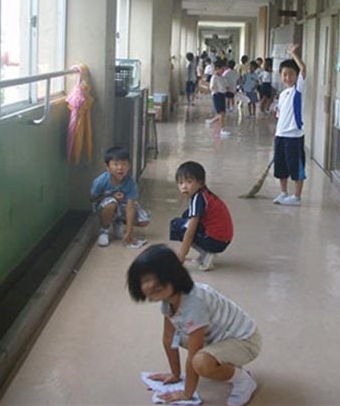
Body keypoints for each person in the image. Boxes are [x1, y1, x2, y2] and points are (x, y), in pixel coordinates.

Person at [127, 244, 261, 406]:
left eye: (156, 279)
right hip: (221, 338)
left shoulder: (194, 303)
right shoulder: (169, 300)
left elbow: (194, 353)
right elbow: (169, 339)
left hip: (246, 341)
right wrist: (175, 374)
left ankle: (244, 381)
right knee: (181, 339)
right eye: (145, 280)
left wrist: (187, 393)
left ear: (173, 276)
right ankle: (224, 362)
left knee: (200, 362)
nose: (150, 285)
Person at [169, 161, 233, 271]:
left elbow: (190, 232)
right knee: (185, 216)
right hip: (223, 240)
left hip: (216, 241)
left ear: (200, 183)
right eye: (180, 183)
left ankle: (206, 253)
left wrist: (181, 256)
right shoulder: (204, 195)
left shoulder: (198, 199)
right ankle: (206, 251)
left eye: (189, 182)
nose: (184, 186)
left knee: (176, 225)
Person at [90, 146, 150, 248]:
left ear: (129, 166)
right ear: (107, 167)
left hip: (122, 206)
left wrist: (129, 233)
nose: (120, 168)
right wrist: (110, 195)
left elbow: (130, 208)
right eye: (116, 164)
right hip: (104, 206)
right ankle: (104, 230)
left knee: (144, 220)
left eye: (123, 164)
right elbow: (92, 198)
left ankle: (118, 223)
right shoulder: (100, 181)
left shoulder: (131, 183)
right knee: (111, 203)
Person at [272, 44, 306, 206]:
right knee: (281, 166)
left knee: (296, 167)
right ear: (280, 76)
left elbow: (303, 68)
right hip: (281, 135)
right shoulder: (283, 93)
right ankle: (284, 193)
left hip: (294, 136)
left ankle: (297, 197)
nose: (288, 77)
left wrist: (294, 54)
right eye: (285, 74)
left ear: (297, 76)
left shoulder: (297, 90)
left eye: (291, 74)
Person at [205, 59, 231, 136]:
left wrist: (227, 89)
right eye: (222, 69)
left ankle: (211, 121)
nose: (223, 71)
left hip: (222, 95)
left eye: (224, 69)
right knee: (222, 113)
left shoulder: (222, 77)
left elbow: (225, 85)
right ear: (217, 69)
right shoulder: (214, 77)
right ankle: (222, 129)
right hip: (217, 96)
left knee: (222, 113)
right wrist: (216, 91)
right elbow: (212, 87)